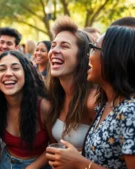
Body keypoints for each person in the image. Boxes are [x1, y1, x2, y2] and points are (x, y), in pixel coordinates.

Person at [46, 25, 135, 169]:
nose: (89, 55)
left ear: (112, 57)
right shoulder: (106, 103)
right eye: (53, 45)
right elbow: (101, 154)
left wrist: (80, 163)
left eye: (94, 49)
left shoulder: (130, 111)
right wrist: (72, 156)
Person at [0, 50, 51, 169]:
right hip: (5, 163)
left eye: (15, 68)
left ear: (26, 73)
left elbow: (55, 145)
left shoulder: (44, 107)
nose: (8, 73)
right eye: (2, 69)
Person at [45, 16, 96, 151]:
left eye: (64, 46)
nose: (54, 51)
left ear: (82, 57)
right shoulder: (54, 97)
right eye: (53, 45)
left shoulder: (93, 100)